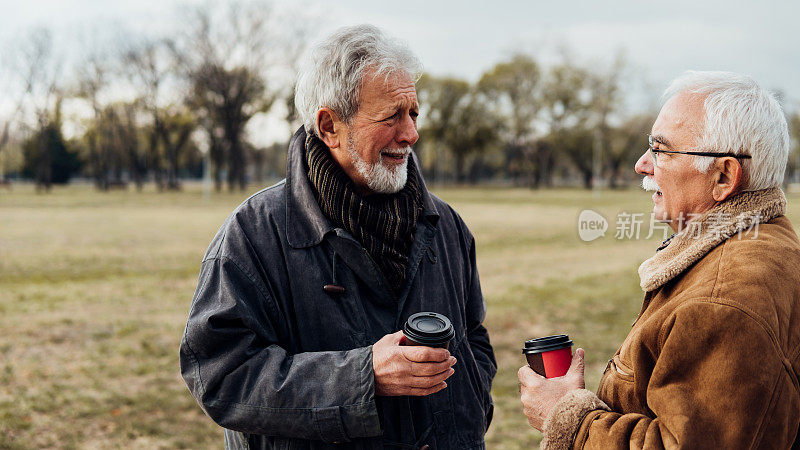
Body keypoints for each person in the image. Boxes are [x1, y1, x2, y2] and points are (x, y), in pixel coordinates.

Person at [180, 24, 496, 450]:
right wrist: (362, 377)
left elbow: (474, 339)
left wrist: (464, 415)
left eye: (414, 113)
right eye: (391, 116)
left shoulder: (446, 225)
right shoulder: (253, 235)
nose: (411, 134)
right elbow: (221, 376)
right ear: (329, 126)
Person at [519, 71, 800, 448]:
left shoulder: (720, 303)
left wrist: (567, 419)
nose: (641, 165)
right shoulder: (767, 243)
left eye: (661, 150)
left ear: (723, 176)